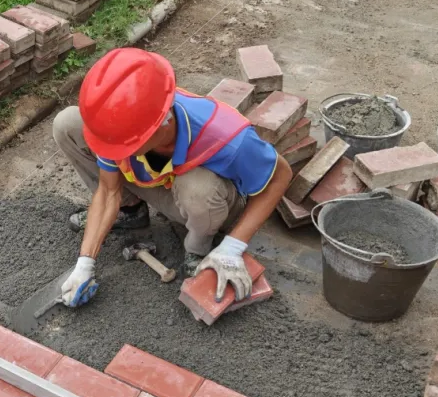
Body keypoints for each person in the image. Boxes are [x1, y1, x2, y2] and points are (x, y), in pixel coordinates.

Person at [52, 47, 292, 308]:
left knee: (198, 188)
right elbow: (109, 191)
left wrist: (233, 246)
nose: (115, 151)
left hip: (212, 203)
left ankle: (199, 250)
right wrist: (85, 263)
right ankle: (130, 213)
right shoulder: (124, 122)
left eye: (125, 145)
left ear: (162, 123)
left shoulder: (228, 137)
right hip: (159, 183)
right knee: (67, 123)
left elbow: (281, 176)